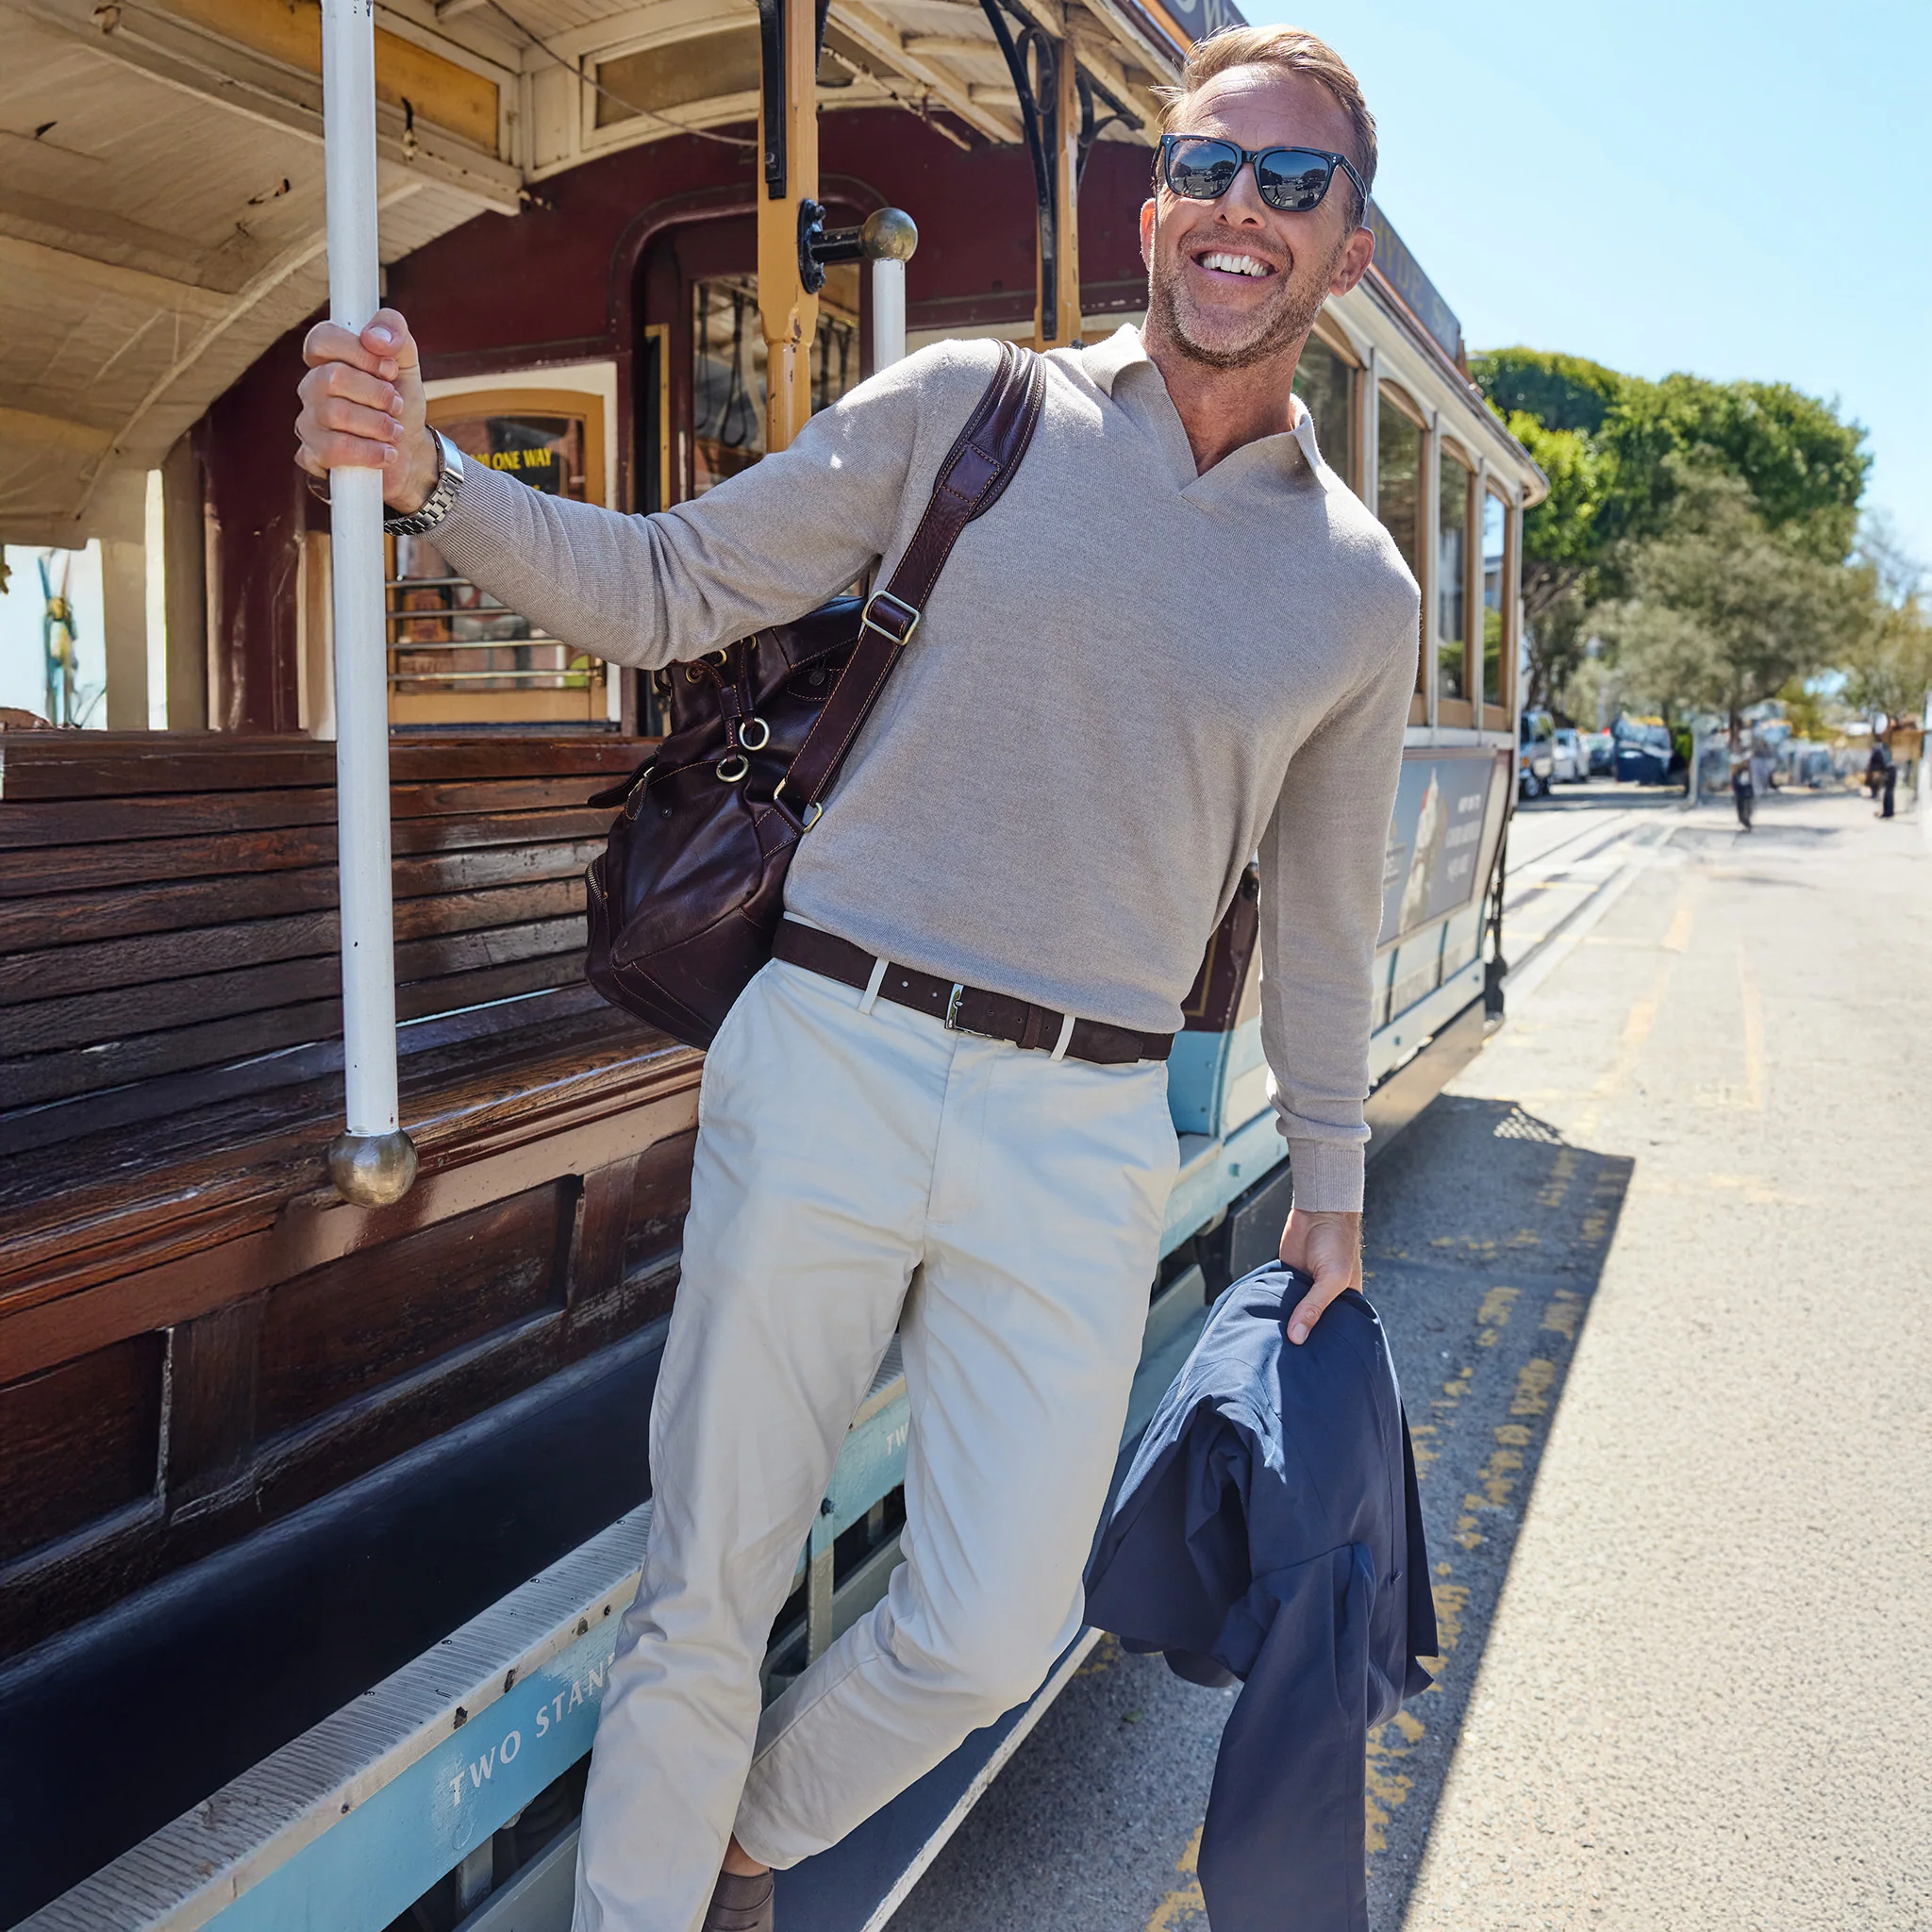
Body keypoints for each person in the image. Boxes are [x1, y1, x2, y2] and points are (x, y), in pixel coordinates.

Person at [296, 28, 1416, 1932]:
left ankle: (748, 1833)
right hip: (832, 1049)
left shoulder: (1357, 586)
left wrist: (1329, 1184)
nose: (1242, 213)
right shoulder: (969, 410)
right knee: (705, 1587)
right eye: (1208, 171)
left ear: (1347, 253)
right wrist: (428, 481)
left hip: (1080, 1122)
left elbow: (1319, 909)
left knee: (990, 1623)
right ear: (1153, 208)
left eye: (1292, 185)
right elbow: (663, 583)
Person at [1732, 754, 1755, 831]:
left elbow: (1752, 783)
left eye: (1747, 762)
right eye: (1744, 762)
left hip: (1748, 793)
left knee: (1748, 809)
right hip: (1740, 793)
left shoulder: (1750, 772)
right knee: (1741, 809)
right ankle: (1743, 821)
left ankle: (1747, 821)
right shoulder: (1738, 772)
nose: (1746, 764)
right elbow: (1734, 782)